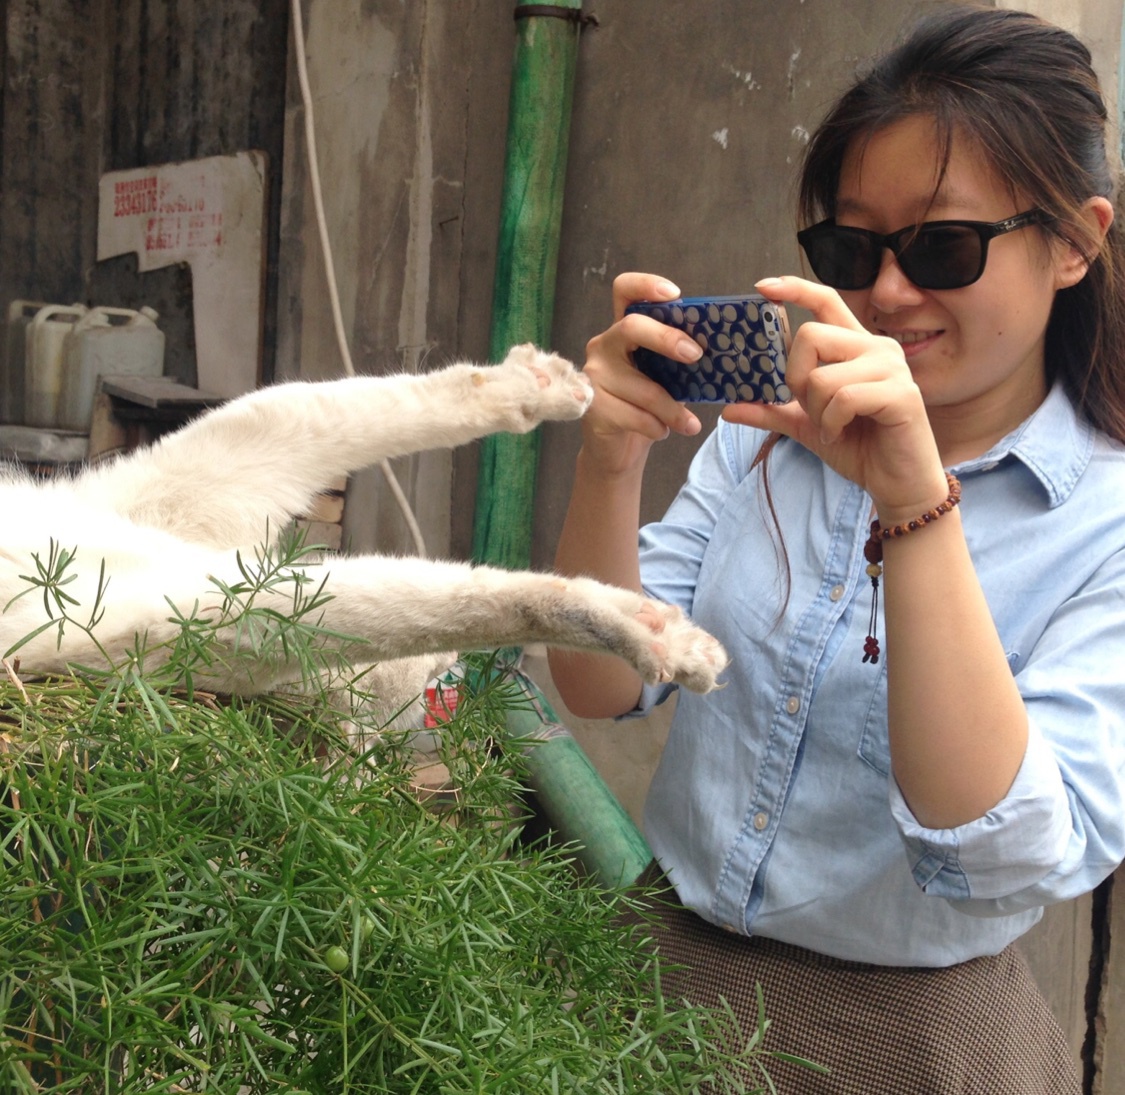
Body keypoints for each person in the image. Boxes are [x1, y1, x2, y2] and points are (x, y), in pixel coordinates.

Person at [547, 4, 1125, 1092]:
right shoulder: (769, 445)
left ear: (1075, 243)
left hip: (907, 1037)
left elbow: (1000, 848)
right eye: (853, 247)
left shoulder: (1104, 520)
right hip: (653, 973)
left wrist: (914, 501)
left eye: (946, 246)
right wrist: (612, 460)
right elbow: (602, 686)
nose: (891, 292)